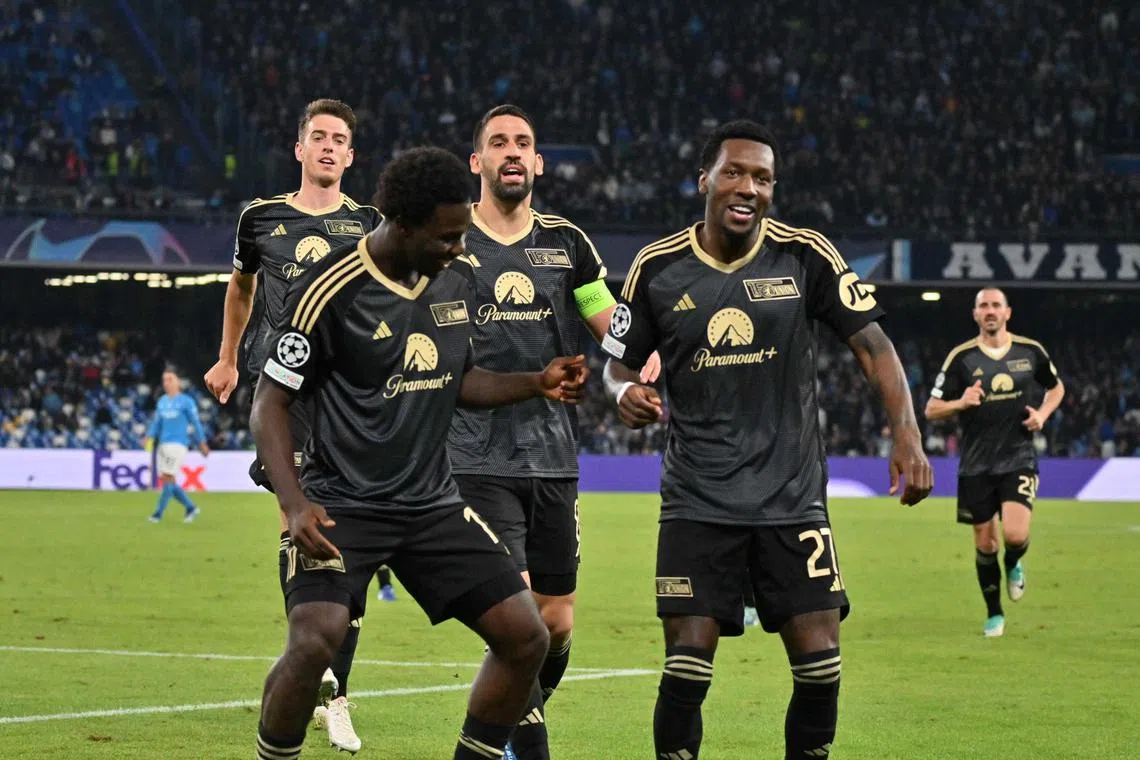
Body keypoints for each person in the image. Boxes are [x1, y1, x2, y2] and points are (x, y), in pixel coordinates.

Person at [600, 120, 933, 759]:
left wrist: (908, 436)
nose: (749, 187)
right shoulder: (657, 266)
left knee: (821, 668)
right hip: (698, 499)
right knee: (687, 667)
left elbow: (874, 345)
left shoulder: (806, 254)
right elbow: (616, 364)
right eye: (735, 172)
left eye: (763, 178)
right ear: (704, 179)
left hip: (792, 498)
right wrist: (623, 394)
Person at [250, 146, 591, 760]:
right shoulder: (326, 289)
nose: (459, 248)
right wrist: (294, 503)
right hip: (343, 505)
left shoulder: (454, 280)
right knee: (315, 641)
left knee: (526, 637)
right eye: (446, 237)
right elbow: (269, 404)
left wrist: (535, 382)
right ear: (401, 224)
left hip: (431, 505)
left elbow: (461, 381)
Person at [447, 104, 659, 760]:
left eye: (523, 143)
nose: (512, 152)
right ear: (477, 161)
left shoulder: (567, 245)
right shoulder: (449, 238)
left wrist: (646, 352)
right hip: (474, 457)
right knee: (519, 628)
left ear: (538, 163)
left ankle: (505, 719)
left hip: (553, 457)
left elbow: (606, 320)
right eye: (498, 143)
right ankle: (521, 745)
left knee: (556, 624)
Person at [202, 98, 380, 752]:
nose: (329, 146)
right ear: (300, 149)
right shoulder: (260, 218)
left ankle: (329, 683)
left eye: (339, 139)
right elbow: (241, 289)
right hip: (284, 393)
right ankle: (324, 678)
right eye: (319, 137)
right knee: (298, 522)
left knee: (349, 542)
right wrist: (227, 358)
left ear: (350, 155)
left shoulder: (370, 224)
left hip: (353, 397)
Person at [924, 287, 1064, 637]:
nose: (990, 311)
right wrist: (960, 402)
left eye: (995, 305)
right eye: (983, 306)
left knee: (1015, 535)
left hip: (1018, 456)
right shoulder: (961, 357)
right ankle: (994, 613)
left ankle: (1014, 562)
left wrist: (1043, 414)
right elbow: (931, 409)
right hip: (976, 464)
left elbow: (1056, 388)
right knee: (985, 544)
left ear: (1007, 313)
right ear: (975, 314)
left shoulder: (1030, 352)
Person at [144, 368, 209, 523]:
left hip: (178, 444)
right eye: (164, 380)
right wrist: (149, 436)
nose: (166, 383)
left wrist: (201, 442)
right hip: (163, 444)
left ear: (178, 382)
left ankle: (157, 514)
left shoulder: (186, 401)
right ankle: (191, 507)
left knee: (168, 478)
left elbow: (195, 422)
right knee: (168, 480)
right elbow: (157, 423)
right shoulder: (162, 401)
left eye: (170, 379)